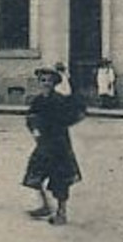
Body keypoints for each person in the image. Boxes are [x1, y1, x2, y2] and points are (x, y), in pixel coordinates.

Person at [22, 66, 86, 225]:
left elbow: (75, 113)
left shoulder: (59, 100)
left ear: (54, 83)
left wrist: (63, 124)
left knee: (60, 180)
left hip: (59, 145)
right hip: (43, 144)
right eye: (42, 80)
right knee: (34, 175)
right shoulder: (37, 101)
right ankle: (45, 205)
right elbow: (30, 117)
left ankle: (61, 212)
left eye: (49, 81)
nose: (45, 83)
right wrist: (34, 129)